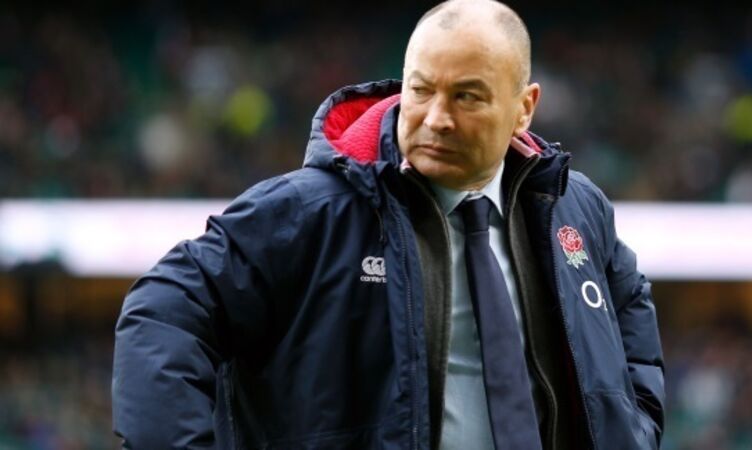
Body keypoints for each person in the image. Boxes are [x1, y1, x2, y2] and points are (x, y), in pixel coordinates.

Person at [112, 0, 665, 448]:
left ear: (524, 107)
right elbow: (163, 309)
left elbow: (629, 303)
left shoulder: (573, 206)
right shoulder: (308, 211)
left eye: (467, 96)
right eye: (421, 90)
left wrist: (633, 430)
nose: (437, 118)